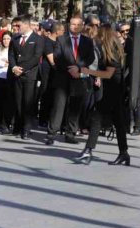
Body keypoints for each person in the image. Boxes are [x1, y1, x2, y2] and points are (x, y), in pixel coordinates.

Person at [73, 23, 130, 165]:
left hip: (114, 88)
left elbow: (109, 73)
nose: (97, 37)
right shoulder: (110, 49)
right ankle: (124, 153)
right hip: (114, 88)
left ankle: (88, 150)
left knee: (96, 118)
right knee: (118, 122)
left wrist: (87, 72)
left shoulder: (113, 52)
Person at [46, 16, 95, 145]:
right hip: (63, 77)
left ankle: (71, 133)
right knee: (58, 107)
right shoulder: (61, 39)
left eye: (78, 24)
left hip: (78, 78)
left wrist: (78, 67)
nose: (75, 26)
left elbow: (90, 58)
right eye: (73, 24)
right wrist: (70, 68)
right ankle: (52, 134)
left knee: (75, 107)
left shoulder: (87, 41)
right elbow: (57, 57)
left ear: (82, 26)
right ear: (69, 25)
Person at [9, 17, 45, 139]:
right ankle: (18, 126)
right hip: (16, 74)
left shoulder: (38, 39)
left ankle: (26, 129)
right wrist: (14, 67)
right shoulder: (15, 39)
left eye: (19, 26)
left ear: (26, 25)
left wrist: (22, 69)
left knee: (28, 103)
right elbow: (11, 55)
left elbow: (36, 57)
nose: (17, 28)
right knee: (18, 102)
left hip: (30, 75)